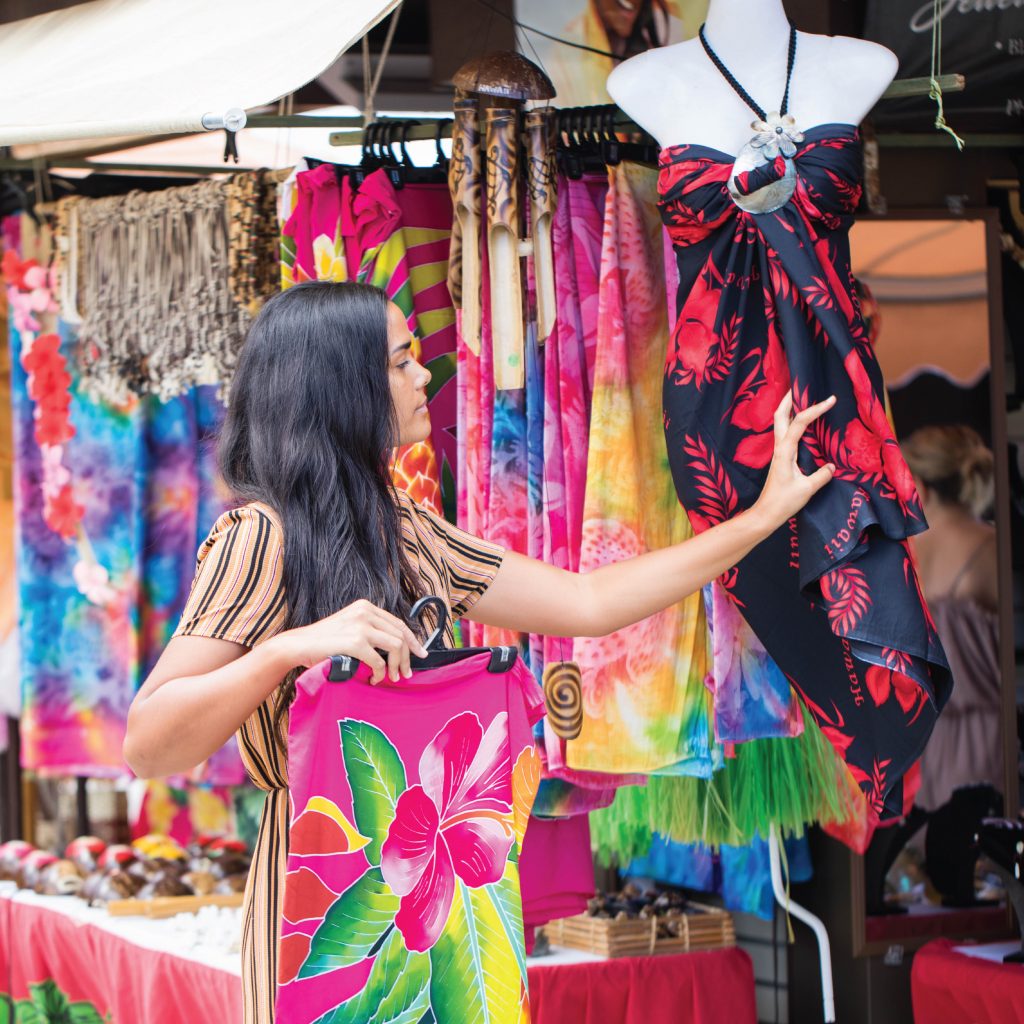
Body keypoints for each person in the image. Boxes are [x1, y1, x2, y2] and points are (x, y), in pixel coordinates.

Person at [122, 281, 835, 1023]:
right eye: (402, 361)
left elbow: (588, 605)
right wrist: (289, 651)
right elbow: (148, 743)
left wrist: (761, 518)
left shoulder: (408, 529)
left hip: (445, 898)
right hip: (322, 897)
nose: (423, 374)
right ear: (345, 385)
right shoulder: (259, 539)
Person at [903, 424, 1002, 810]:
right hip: (989, 742)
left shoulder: (901, 559)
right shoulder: (991, 548)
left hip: (924, 746)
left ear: (920, 488)